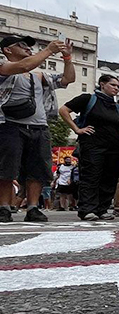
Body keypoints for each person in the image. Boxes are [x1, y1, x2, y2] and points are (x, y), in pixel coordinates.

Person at [0, 35, 75, 223]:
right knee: (6, 169)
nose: (27, 48)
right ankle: (3, 207)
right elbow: (23, 66)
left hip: (39, 126)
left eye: (29, 46)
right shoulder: (4, 66)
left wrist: (67, 58)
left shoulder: (39, 75)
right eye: (21, 45)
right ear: (7, 50)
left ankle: (33, 207)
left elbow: (68, 79)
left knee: (38, 169)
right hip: (9, 125)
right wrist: (49, 50)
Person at [58, 74, 119, 220]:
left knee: (109, 178)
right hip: (93, 146)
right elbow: (63, 110)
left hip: (114, 148)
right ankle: (87, 209)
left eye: (118, 86)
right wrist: (77, 129)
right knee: (91, 177)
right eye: (113, 85)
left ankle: (102, 209)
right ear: (102, 84)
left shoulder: (117, 107)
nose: (116, 88)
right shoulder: (88, 99)